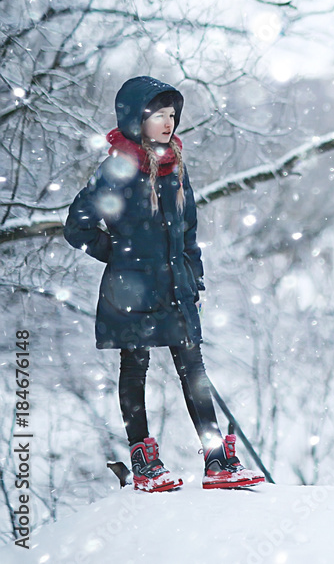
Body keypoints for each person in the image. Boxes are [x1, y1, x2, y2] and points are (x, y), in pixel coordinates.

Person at [64, 76, 265, 491]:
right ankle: (144, 461)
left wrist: (195, 276)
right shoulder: (116, 169)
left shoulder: (174, 166)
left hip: (176, 286)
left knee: (193, 368)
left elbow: (188, 229)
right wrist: (119, 255)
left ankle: (217, 460)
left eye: (172, 114)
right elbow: (77, 226)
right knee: (134, 366)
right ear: (137, 119)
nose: (168, 122)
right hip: (131, 289)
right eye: (158, 114)